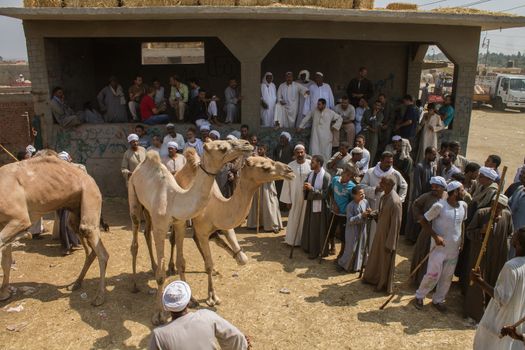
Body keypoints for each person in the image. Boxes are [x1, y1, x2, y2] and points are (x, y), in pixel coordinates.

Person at [414, 181, 468, 312]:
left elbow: (462, 224)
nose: (464, 192)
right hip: (438, 249)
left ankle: (438, 300)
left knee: (447, 276)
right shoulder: (439, 206)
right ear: (454, 192)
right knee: (433, 274)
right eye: (462, 190)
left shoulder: (463, 206)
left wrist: (462, 241)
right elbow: (424, 221)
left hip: (453, 249)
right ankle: (420, 295)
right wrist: (435, 237)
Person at [149, 280, 249, 350]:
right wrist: (244, 345)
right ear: (188, 302)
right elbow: (236, 337)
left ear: (166, 307)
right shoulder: (206, 315)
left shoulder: (158, 335)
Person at [472, 228, 525, 350]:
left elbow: (502, 298)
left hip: (504, 319)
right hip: (518, 315)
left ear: (517, 243)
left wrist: (479, 281)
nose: (512, 236)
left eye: (515, 235)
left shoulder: (511, 267)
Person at [464, 194, 514, 322]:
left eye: (500, 207)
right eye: (495, 206)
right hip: (481, 254)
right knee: (478, 282)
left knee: (493, 282)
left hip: (498, 256)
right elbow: (469, 232)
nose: (497, 209)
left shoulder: (507, 215)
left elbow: (510, 233)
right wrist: (482, 231)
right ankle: (474, 313)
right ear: (491, 204)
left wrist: (505, 246)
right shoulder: (481, 214)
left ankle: (489, 311)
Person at [363, 175, 403, 293]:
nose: (380, 184)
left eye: (383, 183)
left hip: (387, 236)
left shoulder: (395, 202)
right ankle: (371, 278)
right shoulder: (383, 196)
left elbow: (396, 224)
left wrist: (390, 243)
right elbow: (381, 213)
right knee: (375, 257)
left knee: (385, 261)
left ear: (390, 185)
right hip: (380, 232)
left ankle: (382, 284)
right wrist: (373, 214)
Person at [361, 151, 408, 245]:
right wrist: (374, 190)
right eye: (387, 162)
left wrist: (399, 200)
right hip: (373, 206)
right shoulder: (370, 172)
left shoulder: (395, 173)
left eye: (391, 162)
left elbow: (404, 185)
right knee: (372, 235)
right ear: (381, 161)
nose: (389, 164)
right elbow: (362, 186)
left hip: (388, 208)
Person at [409, 176, 447, 285]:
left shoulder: (447, 197)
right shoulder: (427, 197)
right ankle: (419, 279)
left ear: (443, 187)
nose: (434, 188)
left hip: (441, 231)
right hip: (427, 229)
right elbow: (415, 205)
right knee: (423, 252)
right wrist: (420, 218)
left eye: (437, 186)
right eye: (433, 186)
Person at [246, 145, 283, 233]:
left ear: (265, 150)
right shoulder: (254, 161)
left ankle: (271, 224)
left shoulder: (269, 161)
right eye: (258, 149)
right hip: (257, 184)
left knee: (269, 203)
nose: (259, 150)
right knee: (256, 203)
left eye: (261, 149)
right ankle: (255, 224)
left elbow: (273, 172)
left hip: (267, 185)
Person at [280, 144, 312, 246]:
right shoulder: (290, 166)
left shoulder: (311, 164)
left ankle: (304, 241)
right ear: (294, 153)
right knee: (294, 217)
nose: (300, 154)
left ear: (305, 152)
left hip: (307, 197)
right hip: (294, 197)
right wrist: (288, 200)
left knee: (305, 218)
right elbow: (286, 184)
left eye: (301, 152)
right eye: (298, 152)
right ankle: (293, 240)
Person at [301, 155, 331, 259]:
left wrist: (312, 189)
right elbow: (306, 188)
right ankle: (308, 247)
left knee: (317, 228)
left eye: (312, 162)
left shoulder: (326, 176)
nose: (310, 164)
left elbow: (326, 194)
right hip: (310, 204)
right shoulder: (310, 174)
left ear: (318, 163)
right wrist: (305, 188)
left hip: (320, 207)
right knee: (309, 225)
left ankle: (317, 251)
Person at [338, 185, 371, 272]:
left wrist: (369, 213)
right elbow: (350, 220)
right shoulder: (350, 206)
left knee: (362, 247)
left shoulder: (365, 202)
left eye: (363, 193)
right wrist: (361, 215)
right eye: (360, 194)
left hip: (362, 229)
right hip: (352, 231)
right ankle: (344, 264)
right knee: (351, 249)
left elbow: (367, 212)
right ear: (354, 195)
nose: (363, 195)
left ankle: (358, 266)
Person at [327, 164, 357, 257]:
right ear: (343, 172)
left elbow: (352, 202)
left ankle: (341, 254)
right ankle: (332, 247)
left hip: (344, 214)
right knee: (330, 230)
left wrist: (346, 209)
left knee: (343, 235)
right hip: (334, 211)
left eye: (351, 176)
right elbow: (331, 192)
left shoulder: (352, 187)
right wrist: (334, 204)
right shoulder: (335, 180)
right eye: (347, 175)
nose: (348, 178)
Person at [509, 168, 525, 244]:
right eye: (521, 172)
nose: (521, 175)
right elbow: (509, 203)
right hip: (511, 232)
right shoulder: (519, 189)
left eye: (524, 173)